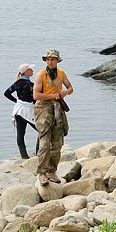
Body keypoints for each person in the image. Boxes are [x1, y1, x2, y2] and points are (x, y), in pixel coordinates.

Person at [33, 48, 73, 185]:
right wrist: (53, 96)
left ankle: (52, 171)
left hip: (58, 109)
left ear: (57, 61)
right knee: (44, 144)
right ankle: (42, 173)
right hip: (43, 108)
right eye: (48, 59)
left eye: (52, 59)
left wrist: (65, 93)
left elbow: (70, 88)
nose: (50, 62)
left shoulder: (61, 73)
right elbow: (36, 95)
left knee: (57, 143)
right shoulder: (41, 75)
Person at [4, 64, 38, 159]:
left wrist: (17, 101)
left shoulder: (17, 83)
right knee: (42, 130)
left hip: (18, 110)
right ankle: (38, 153)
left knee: (21, 132)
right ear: (25, 72)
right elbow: (35, 98)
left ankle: (24, 156)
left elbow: (6, 93)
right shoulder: (31, 85)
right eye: (30, 69)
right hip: (28, 110)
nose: (32, 70)